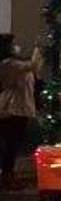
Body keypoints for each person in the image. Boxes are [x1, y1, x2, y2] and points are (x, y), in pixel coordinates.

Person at [0, 35, 42, 190]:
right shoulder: (8, 64)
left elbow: (34, 70)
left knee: (14, 144)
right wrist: (39, 49)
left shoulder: (16, 63)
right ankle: (6, 177)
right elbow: (33, 65)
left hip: (21, 107)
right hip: (12, 109)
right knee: (11, 144)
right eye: (13, 44)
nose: (16, 46)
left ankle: (9, 175)